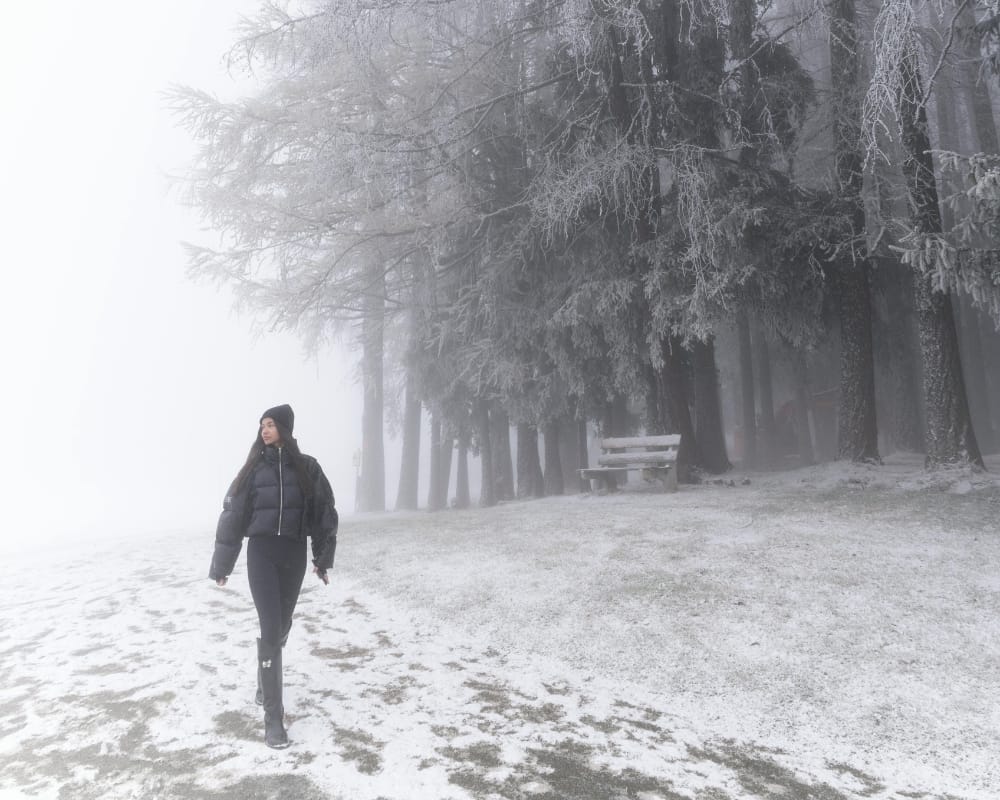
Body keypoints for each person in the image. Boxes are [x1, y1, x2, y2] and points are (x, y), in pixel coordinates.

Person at [208, 404, 338, 749]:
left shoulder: (307, 467)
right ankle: (273, 721)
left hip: (292, 554)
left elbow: (324, 512)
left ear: (284, 427)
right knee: (269, 627)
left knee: (282, 625)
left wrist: (322, 559)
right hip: (261, 555)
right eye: (262, 425)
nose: (264, 430)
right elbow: (233, 514)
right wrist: (222, 565)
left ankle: (264, 682)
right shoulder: (253, 469)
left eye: (270, 424)